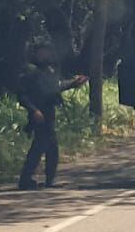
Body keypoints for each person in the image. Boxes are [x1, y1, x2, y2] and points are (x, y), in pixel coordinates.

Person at [16, 41, 86, 190]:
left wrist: (73, 83)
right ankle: (25, 179)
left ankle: (49, 180)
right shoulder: (30, 70)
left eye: (47, 51)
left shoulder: (48, 70)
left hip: (49, 112)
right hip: (38, 113)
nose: (45, 54)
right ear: (35, 53)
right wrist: (33, 110)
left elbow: (55, 87)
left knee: (52, 147)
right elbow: (22, 95)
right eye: (42, 51)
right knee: (39, 146)